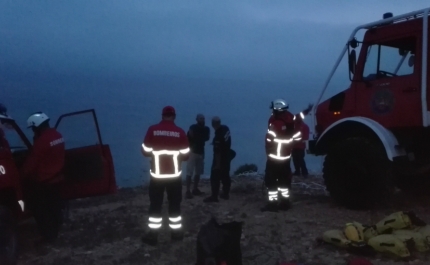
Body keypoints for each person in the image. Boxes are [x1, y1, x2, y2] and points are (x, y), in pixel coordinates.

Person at [141, 106, 190, 246]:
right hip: (174, 176)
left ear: (162, 116)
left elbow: (145, 151)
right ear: (174, 116)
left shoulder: (152, 130)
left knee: (155, 205)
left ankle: (153, 236)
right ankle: (176, 234)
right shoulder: (180, 132)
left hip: (157, 175)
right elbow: (186, 155)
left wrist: (155, 152)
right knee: (175, 204)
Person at [21, 112, 66, 243]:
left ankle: (48, 236)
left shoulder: (42, 142)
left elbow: (32, 163)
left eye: (33, 129)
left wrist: (21, 176)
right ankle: (55, 232)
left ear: (37, 127)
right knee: (55, 208)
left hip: (43, 182)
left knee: (41, 211)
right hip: (57, 178)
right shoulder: (58, 136)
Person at [261, 99, 301, 212]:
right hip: (286, 156)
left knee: (271, 181)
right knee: (285, 181)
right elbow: (297, 137)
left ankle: (272, 205)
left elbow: (269, 139)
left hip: (274, 157)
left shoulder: (276, 123)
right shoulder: (291, 119)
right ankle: (285, 203)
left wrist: (269, 151)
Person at [203, 116, 232, 203]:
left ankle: (214, 196)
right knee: (225, 176)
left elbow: (218, 152)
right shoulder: (226, 128)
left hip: (220, 159)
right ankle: (225, 193)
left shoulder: (218, 137)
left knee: (215, 178)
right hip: (227, 156)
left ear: (213, 124)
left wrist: (217, 165)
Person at [185, 114, 210, 199]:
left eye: (203, 118)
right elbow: (191, 136)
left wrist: (197, 138)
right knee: (190, 172)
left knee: (198, 172)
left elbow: (206, 138)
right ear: (197, 119)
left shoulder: (206, 129)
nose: (202, 120)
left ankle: (195, 189)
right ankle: (188, 190)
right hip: (192, 152)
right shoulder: (193, 127)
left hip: (200, 152)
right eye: (201, 118)